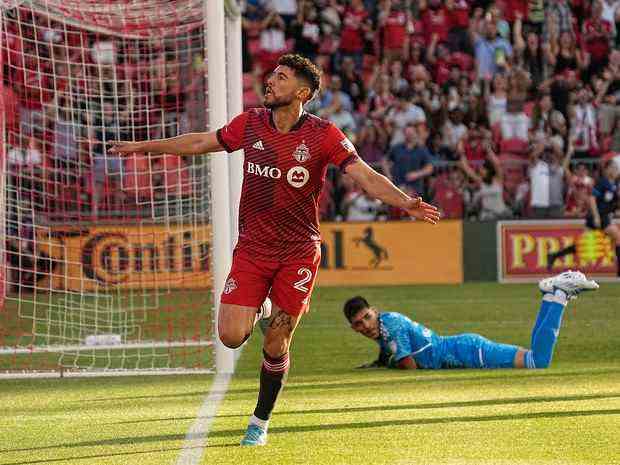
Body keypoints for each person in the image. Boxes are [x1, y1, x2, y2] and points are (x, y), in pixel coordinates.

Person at [109, 54, 441, 446]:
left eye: (280, 78)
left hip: (299, 253)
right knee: (232, 336)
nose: (270, 81)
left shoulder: (324, 135)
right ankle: (263, 307)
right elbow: (201, 141)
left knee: (276, 341)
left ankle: (260, 421)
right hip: (253, 248)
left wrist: (406, 203)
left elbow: (365, 176)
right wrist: (143, 147)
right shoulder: (250, 123)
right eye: (272, 75)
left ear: (301, 93)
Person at [344, 271, 598, 370]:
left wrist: (386, 367)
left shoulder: (391, 326)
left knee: (537, 361)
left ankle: (560, 293)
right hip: (462, 348)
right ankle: (551, 294)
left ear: (375, 311)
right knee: (533, 358)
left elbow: (408, 365)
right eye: (359, 323)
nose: (365, 325)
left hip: (467, 352)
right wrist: (376, 364)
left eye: (367, 317)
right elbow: (388, 353)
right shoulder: (386, 324)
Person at [548, 158, 620, 276]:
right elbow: (592, 199)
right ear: (607, 170)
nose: (615, 170)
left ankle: (554, 255)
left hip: (604, 217)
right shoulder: (602, 182)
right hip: (597, 217)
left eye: (616, 168)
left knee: (582, 245)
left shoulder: (615, 184)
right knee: (617, 237)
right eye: (613, 168)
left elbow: (613, 202)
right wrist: (596, 216)